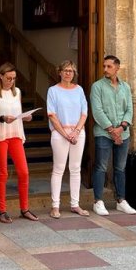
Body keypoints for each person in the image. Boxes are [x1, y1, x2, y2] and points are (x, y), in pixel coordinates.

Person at [0, 62, 37, 223]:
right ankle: (1, 211)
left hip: (15, 133)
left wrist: (27, 117)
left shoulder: (17, 92)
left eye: (13, 78)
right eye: (8, 78)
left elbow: (18, 113)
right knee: (3, 172)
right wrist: (2, 118)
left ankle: (24, 208)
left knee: (24, 171)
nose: (11, 81)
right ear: (0, 76)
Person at [89, 55, 136, 216]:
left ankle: (121, 200)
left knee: (120, 168)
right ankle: (98, 201)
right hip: (103, 132)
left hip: (123, 133)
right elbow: (97, 110)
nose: (105, 70)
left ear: (117, 68)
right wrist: (112, 130)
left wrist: (121, 128)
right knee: (101, 167)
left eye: (109, 66)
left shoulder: (126, 87)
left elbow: (129, 109)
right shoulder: (97, 87)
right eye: (104, 66)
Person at [47, 60, 89, 219]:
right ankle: (55, 206)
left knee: (75, 168)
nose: (68, 73)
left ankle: (75, 204)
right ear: (59, 72)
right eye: (65, 70)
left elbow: (84, 112)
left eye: (71, 71)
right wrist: (66, 134)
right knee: (58, 169)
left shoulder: (79, 90)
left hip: (78, 133)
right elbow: (52, 114)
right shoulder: (53, 91)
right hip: (60, 133)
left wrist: (77, 131)